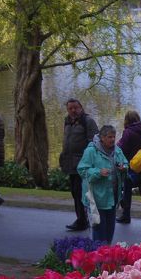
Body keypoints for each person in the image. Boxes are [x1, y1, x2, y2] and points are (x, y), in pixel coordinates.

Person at [77, 125, 128, 244]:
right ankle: (98, 259)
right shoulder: (91, 151)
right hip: (97, 198)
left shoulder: (117, 150)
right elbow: (82, 170)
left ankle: (107, 257)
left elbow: (126, 163)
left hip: (113, 198)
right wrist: (98, 172)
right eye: (109, 137)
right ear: (102, 138)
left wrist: (123, 168)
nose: (112, 140)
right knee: (99, 233)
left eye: (114, 137)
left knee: (110, 231)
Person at [60, 99, 99, 231]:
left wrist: (87, 163)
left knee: (80, 193)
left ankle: (83, 220)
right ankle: (82, 219)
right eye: (70, 108)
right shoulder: (68, 121)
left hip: (82, 165)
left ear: (81, 108)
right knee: (75, 192)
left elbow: (94, 143)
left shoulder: (88, 121)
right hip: (70, 163)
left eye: (75, 108)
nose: (73, 110)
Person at [116, 111, 141, 224]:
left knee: (125, 188)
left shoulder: (128, 132)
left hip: (132, 165)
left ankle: (126, 215)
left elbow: (122, 148)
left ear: (127, 120)